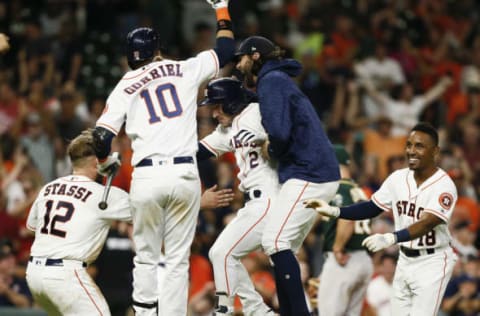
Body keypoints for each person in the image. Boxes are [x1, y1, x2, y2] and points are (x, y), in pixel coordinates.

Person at [92, 0, 236, 314]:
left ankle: (144, 314)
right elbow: (226, 51)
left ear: (131, 57)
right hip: (184, 175)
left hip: (146, 176)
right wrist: (222, 8)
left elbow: (100, 137)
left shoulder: (125, 85)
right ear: (157, 50)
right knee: (177, 259)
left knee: (145, 257)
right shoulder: (183, 68)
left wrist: (104, 164)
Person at [306, 122, 459, 316]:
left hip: (433, 260)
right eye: (409, 145)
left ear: (435, 151)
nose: (412, 150)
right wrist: (336, 211)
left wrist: (391, 238)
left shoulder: (444, 185)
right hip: (404, 259)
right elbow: (371, 207)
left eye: (419, 146)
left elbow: (428, 223)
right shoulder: (398, 178)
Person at [235, 36, 340, 315]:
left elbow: (279, 134)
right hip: (313, 171)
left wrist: (271, 147)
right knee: (283, 248)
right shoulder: (276, 80)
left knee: (275, 242)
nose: (239, 63)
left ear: (255, 56)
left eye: (242, 57)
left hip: (310, 172)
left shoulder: (272, 81)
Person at [25, 130, 131, 315]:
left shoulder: (49, 187)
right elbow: (149, 210)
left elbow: (32, 228)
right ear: (97, 161)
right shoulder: (103, 195)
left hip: (34, 274)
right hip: (65, 276)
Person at [197, 77, 277, 315]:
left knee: (222, 252)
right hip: (256, 202)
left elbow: (285, 131)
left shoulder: (258, 113)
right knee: (221, 253)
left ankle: (226, 310)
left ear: (231, 103)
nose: (213, 113)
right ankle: (258, 312)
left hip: (273, 195)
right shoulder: (227, 130)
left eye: (216, 105)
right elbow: (196, 152)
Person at [317, 144, 373, 316]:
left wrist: (337, 247)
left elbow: (347, 219)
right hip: (363, 259)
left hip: (344, 259)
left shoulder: (339, 188)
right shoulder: (359, 189)